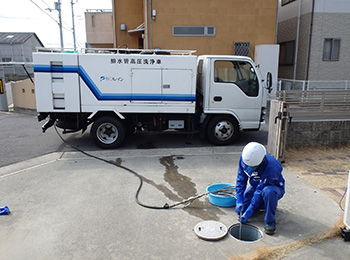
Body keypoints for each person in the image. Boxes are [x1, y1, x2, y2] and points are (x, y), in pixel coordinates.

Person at [235, 142, 285, 235]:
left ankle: (269, 220)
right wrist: (239, 200)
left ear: (262, 161)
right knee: (241, 210)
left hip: (273, 188)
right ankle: (264, 205)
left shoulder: (272, 167)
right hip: (255, 186)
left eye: (252, 167)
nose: (249, 168)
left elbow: (260, 191)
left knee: (268, 192)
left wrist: (251, 209)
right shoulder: (245, 159)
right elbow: (241, 180)